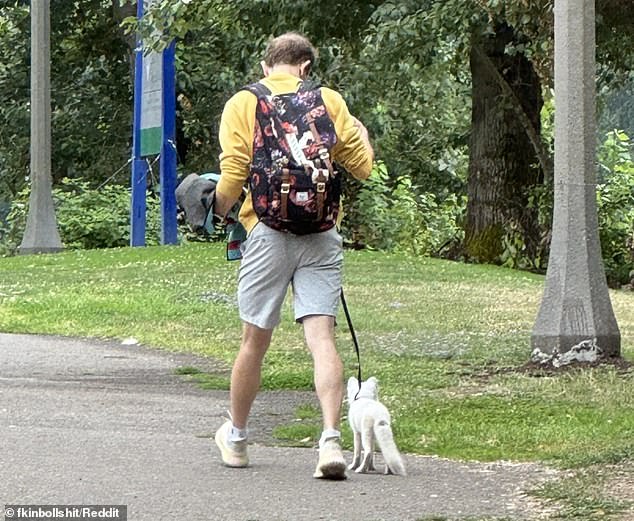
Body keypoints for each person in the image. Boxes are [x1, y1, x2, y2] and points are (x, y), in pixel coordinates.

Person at [213, 32, 374, 480]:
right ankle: (329, 441)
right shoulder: (329, 101)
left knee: (254, 341)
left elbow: (234, 171)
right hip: (322, 233)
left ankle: (239, 438)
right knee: (322, 338)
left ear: (268, 67)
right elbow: (362, 166)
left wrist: (218, 210)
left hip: (267, 232)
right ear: (305, 67)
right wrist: (359, 132)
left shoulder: (243, 103)